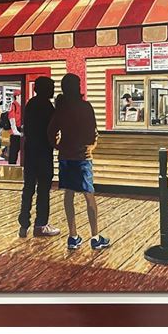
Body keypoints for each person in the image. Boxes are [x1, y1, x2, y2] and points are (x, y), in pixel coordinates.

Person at [47, 73, 110, 251]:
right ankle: (95, 237)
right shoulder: (85, 107)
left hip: (66, 157)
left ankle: (73, 236)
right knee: (89, 195)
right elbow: (92, 131)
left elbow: (51, 131)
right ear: (78, 87)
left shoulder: (61, 108)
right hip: (82, 156)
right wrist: (91, 146)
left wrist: (58, 145)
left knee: (69, 195)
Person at [18, 77, 60, 238]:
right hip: (43, 151)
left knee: (28, 187)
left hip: (30, 151)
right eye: (51, 87)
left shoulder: (30, 104)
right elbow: (53, 127)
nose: (53, 90)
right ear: (45, 89)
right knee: (43, 189)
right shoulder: (47, 106)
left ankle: (24, 224)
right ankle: (41, 224)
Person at [8, 89, 22, 164]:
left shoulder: (22, 105)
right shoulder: (13, 105)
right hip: (15, 131)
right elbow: (11, 118)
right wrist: (15, 131)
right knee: (14, 150)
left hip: (22, 129)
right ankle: (12, 165)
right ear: (17, 96)